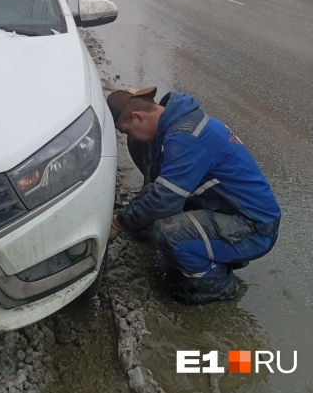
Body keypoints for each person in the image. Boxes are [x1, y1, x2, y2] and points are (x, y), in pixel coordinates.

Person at [107, 87, 281, 305]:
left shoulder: (185, 138)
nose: (130, 137)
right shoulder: (180, 121)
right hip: (231, 208)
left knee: (169, 232)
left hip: (254, 229)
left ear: (138, 117)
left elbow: (162, 201)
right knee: (154, 203)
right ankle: (215, 252)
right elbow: (160, 190)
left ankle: (217, 285)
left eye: (127, 131)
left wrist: (119, 222)